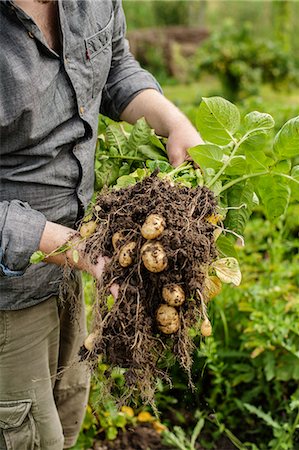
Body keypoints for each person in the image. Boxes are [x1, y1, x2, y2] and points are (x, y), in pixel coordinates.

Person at [0, 0, 204, 448]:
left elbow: (114, 67)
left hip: (73, 274)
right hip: (8, 298)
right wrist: (74, 248)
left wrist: (172, 121)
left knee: (65, 417)